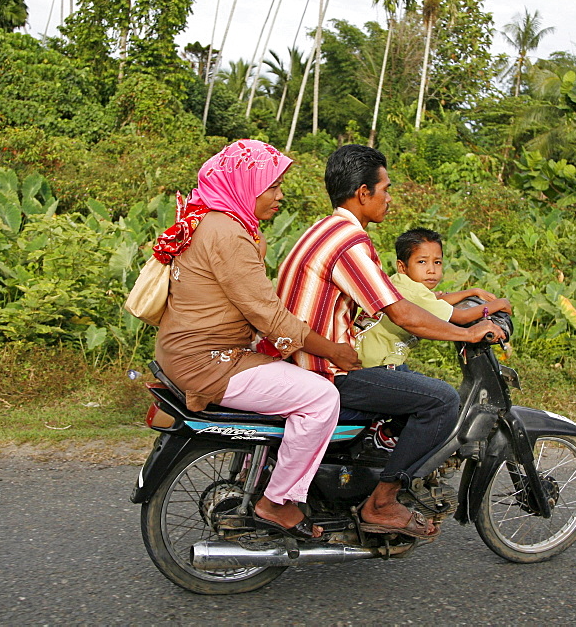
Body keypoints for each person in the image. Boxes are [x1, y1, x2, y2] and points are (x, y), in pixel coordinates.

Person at [276, 144, 505, 539]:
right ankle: (382, 502)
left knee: (404, 382)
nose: (389, 197)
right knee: (441, 400)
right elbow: (400, 311)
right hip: (324, 370)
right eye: (385, 189)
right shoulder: (350, 242)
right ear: (363, 193)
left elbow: (392, 301)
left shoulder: (322, 230)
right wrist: (467, 332)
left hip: (299, 361)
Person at [154, 139, 362, 540]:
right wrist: (332, 349)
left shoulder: (211, 220)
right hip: (210, 361)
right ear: (245, 185)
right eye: (272, 187)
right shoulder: (228, 235)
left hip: (189, 353)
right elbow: (269, 315)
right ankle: (277, 503)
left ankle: (271, 475)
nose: (279, 197)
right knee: (321, 398)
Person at [355, 227, 512, 370]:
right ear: (402, 267)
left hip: (362, 357)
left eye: (437, 262)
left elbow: (435, 303)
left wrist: (472, 292)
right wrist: (500, 303)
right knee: (442, 396)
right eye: (422, 262)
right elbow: (462, 317)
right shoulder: (415, 292)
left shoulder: (399, 281)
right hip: (377, 365)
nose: (431, 270)